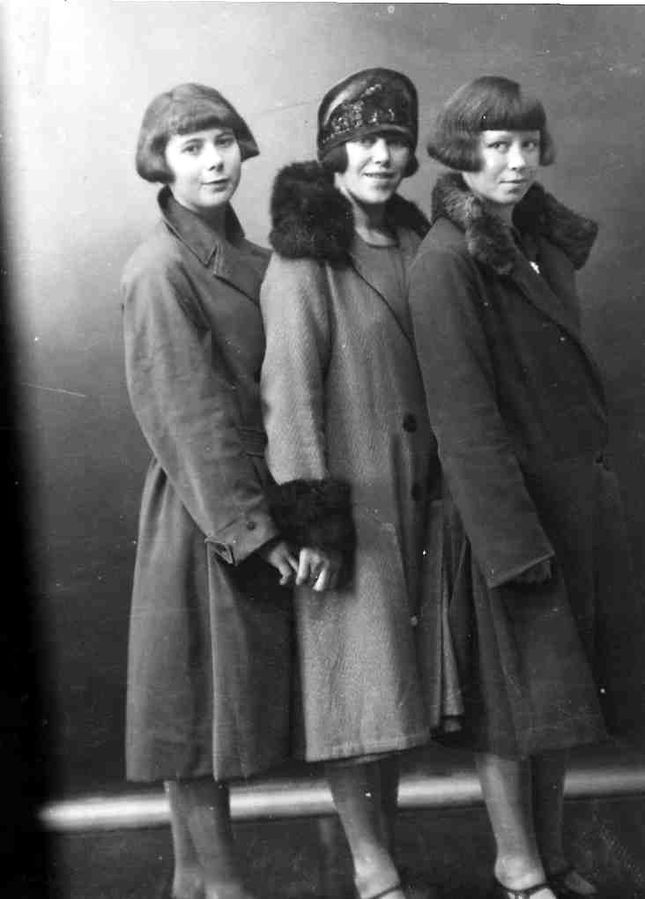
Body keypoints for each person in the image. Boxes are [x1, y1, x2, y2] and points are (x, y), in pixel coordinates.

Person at [408, 75, 628, 899]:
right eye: (495, 145)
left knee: (559, 697)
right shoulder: (445, 261)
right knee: (510, 704)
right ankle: (517, 864)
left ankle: (553, 853)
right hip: (506, 519)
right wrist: (510, 543)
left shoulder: (536, 241)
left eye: (526, 144)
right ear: (461, 153)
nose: (515, 161)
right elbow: (463, 420)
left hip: (569, 507)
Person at [121, 83, 334, 899]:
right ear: (161, 164)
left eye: (221, 142)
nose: (213, 162)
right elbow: (186, 414)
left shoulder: (256, 258)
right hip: (205, 507)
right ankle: (221, 886)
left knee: (215, 706)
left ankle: (196, 882)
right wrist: (253, 530)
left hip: (248, 496)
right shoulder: (160, 268)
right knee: (198, 713)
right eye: (190, 148)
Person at [260, 68, 450, 899]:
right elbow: (289, 397)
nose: (380, 156)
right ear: (334, 152)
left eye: (395, 140)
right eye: (364, 140)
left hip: (422, 498)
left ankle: (386, 854)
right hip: (354, 502)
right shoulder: (303, 261)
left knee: (394, 689)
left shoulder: (416, 245)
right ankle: (373, 870)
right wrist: (313, 520)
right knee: (351, 683)